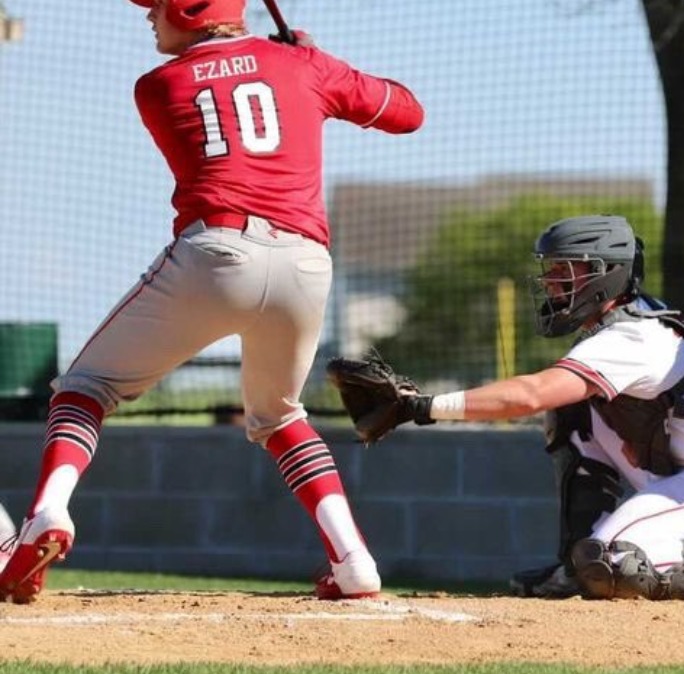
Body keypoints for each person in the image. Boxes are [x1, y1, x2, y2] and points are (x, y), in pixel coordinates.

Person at [0, 0, 423, 604]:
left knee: (83, 387)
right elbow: (408, 113)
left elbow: (227, 85)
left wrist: (290, 62)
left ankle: (46, 514)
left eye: (158, 8)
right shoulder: (301, 66)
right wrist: (312, 59)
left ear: (188, 9)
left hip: (218, 251)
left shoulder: (157, 86)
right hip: (306, 264)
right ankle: (354, 560)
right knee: (280, 416)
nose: (149, 18)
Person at [332, 214, 684, 606]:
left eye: (566, 273)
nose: (554, 285)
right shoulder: (626, 322)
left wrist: (421, 406)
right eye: (553, 273)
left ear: (606, 276)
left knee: (613, 561)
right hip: (681, 482)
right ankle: (571, 564)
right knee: (572, 414)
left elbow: (529, 394)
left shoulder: (635, 336)